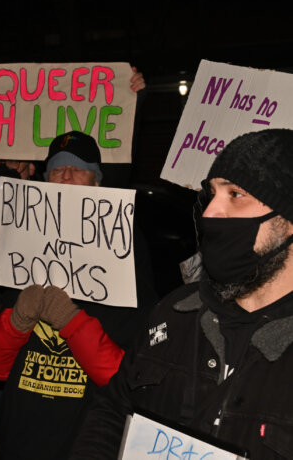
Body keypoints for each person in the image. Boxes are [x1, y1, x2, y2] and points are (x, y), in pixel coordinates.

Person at [70, 128, 293, 459]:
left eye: (235, 194)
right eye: (212, 193)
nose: (210, 212)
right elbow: (113, 411)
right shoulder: (175, 313)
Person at [0, 130, 159, 460]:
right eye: (58, 169)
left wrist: (71, 322)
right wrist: (17, 320)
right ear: (45, 181)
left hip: (87, 441)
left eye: (78, 169)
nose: (66, 175)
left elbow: (127, 377)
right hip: (20, 438)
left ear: (97, 183)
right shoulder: (20, 246)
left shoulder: (124, 250)